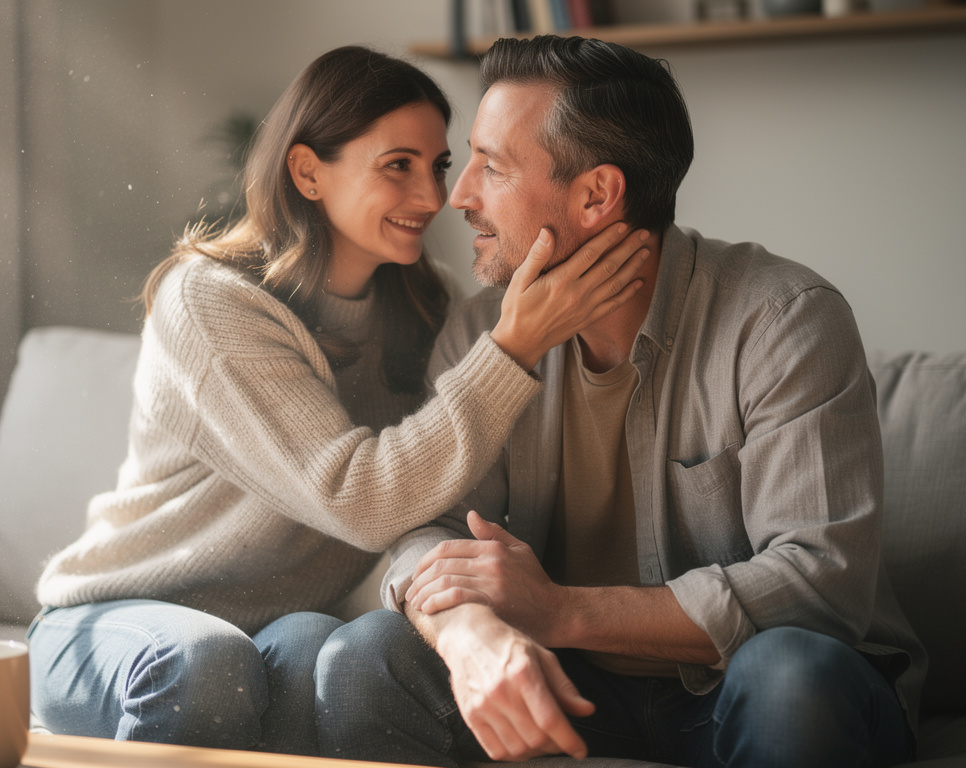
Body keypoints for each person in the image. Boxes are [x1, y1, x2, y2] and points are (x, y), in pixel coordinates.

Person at [315, 35, 927, 768]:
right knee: (363, 658)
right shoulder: (485, 327)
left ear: (597, 194)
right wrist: (470, 631)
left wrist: (563, 610)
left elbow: (818, 582)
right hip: (571, 690)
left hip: (746, 684)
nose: (460, 194)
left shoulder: (782, 319)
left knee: (789, 678)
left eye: (493, 166)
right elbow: (429, 531)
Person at [26, 45, 649, 757]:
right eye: (398, 166)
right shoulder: (208, 303)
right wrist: (511, 351)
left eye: (438, 166)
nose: (435, 197)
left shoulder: (432, 303)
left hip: (281, 618)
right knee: (204, 666)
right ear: (307, 172)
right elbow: (360, 498)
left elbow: (437, 501)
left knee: (335, 655)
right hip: (121, 618)